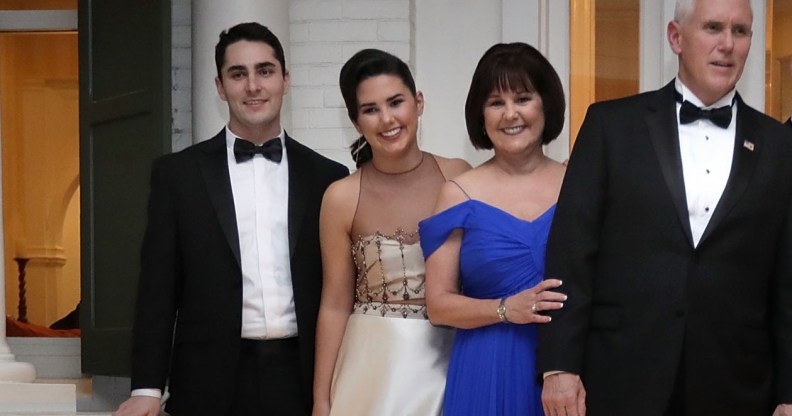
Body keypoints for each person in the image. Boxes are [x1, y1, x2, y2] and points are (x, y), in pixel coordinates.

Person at [538, 0, 792, 415]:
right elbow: (572, 254)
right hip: (621, 376)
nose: (727, 44)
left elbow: (787, 280)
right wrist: (559, 366)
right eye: (713, 28)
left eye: (740, 31)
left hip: (738, 384)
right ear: (676, 37)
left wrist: (789, 391)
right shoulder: (610, 126)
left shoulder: (780, 147)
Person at [113, 22, 348, 416]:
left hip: (304, 378)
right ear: (220, 86)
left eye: (265, 71)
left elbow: (343, 291)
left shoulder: (329, 178)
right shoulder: (177, 176)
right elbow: (157, 289)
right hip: (206, 382)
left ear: (285, 80)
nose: (253, 86)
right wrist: (147, 389)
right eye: (238, 74)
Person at [312, 48, 471, 416]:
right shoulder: (341, 196)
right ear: (356, 122)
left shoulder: (459, 175)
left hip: (450, 361)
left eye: (396, 102)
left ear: (418, 103)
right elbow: (334, 304)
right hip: (372, 371)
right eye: (370, 109)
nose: (387, 119)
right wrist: (321, 400)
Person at [419, 42, 567, 415]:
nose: (510, 114)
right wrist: (505, 309)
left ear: (545, 104)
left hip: (567, 369)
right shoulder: (458, 194)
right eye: (495, 102)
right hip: (487, 370)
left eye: (522, 98)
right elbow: (438, 305)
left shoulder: (578, 184)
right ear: (480, 116)